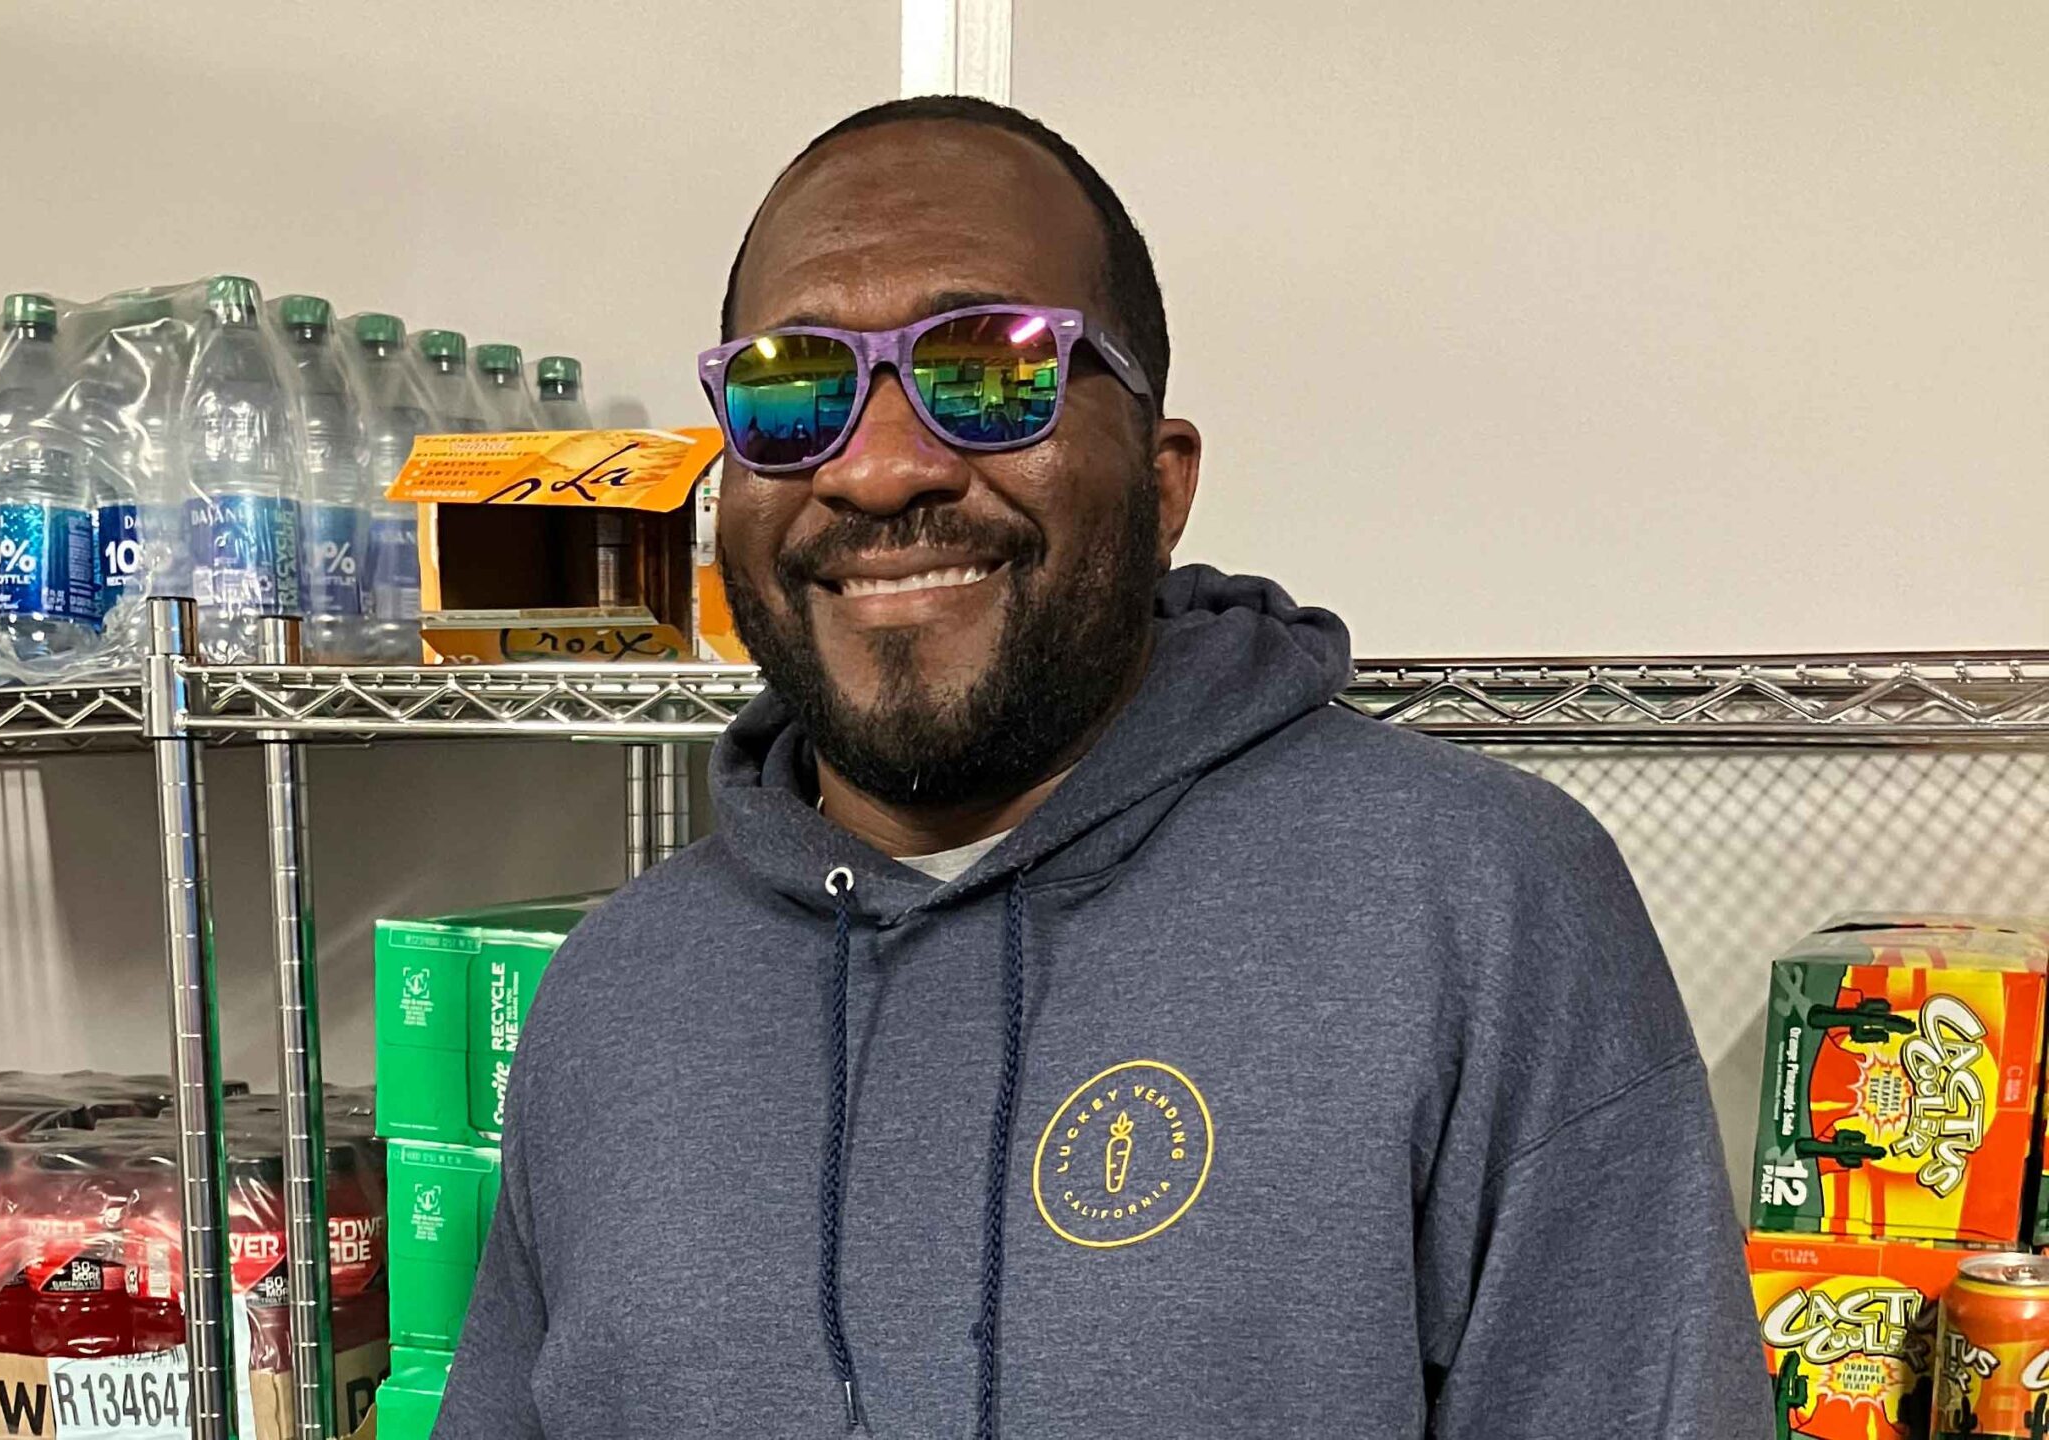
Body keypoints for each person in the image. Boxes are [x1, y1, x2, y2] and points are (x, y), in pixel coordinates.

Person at [436, 96, 1765, 1439]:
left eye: (987, 371)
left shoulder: (1476, 909)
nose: (879, 470)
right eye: (794, 388)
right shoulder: (611, 996)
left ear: (1162, 480)